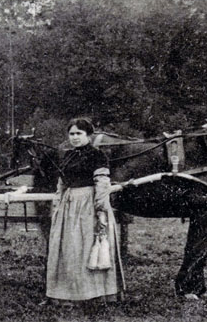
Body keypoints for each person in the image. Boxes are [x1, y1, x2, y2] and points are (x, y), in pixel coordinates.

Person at [45, 117, 125, 304]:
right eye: (71, 134)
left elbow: (102, 183)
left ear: (88, 135)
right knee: (69, 248)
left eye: (79, 134)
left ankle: (95, 293)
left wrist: (100, 209)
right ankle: (68, 293)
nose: (74, 137)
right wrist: (58, 205)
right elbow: (61, 183)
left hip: (89, 204)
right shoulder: (68, 155)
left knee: (86, 245)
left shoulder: (97, 155)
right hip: (69, 204)